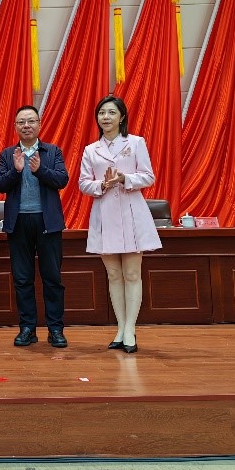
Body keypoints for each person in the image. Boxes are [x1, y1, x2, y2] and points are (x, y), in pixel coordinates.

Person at [79, 95, 161, 354]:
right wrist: (102, 184)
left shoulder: (135, 142)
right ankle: (120, 327)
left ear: (122, 117)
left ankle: (130, 330)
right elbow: (84, 183)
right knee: (114, 275)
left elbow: (148, 176)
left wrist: (125, 178)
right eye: (102, 113)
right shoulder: (91, 149)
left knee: (132, 274)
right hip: (105, 213)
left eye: (111, 112)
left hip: (131, 211)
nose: (106, 117)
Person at [0, 105, 69, 348]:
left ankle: (55, 329)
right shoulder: (8, 154)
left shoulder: (52, 151)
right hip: (18, 222)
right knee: (22, 278)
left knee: (52, 278)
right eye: (21, 122)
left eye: (31, 121)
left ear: (39, 124)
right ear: (15, 127)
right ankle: (27, 328)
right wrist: (16, 171)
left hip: (47, 221)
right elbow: (0, 185)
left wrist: (40, 170)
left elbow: (62, 179)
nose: (26, 126)